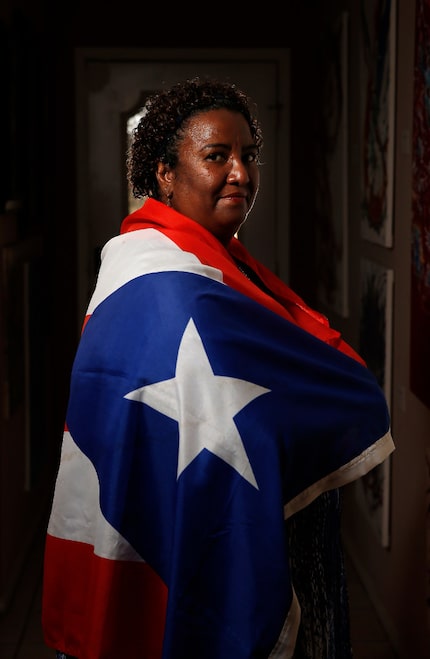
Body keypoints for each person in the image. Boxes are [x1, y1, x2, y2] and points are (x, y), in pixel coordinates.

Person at [42, 77, 394, 659]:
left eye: (248, 155)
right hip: (157, 515)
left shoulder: (210, 260)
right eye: (216, 157)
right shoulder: (160, 278)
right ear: (164, 173)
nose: (241, 173)